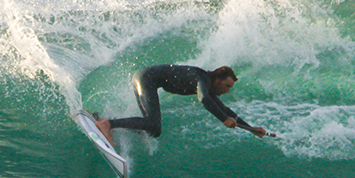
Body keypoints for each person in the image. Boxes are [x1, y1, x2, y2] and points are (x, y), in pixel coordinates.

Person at [96, 65, 269, 142]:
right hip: (146, 78)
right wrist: (223, 119)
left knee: (154, 130)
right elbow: (204, 99)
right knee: (151, 123)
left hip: (145, 78)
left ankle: (108, 123)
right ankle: (108, 124)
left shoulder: (209, 86)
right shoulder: (202, 79)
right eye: (227, 86)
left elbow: (225, 109)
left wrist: (252, 129)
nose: (228, 91)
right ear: (217, 79)